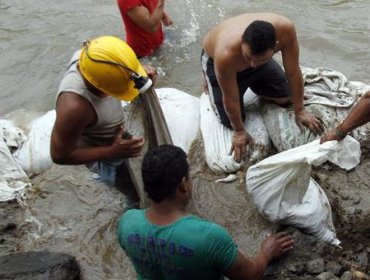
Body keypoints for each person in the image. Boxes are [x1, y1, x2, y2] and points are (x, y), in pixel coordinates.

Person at [117, 144, 293, 279]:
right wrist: (266, 253)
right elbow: (250, 276)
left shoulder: (126, 222)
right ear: (184, 185)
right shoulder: (208, 236)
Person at [201, 12, 324, 163]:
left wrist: (300, 109)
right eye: (248, 58)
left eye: (259, 59)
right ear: (242, 42)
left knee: (286, 97)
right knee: (230, 121)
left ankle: (254, 83)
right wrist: (239, 131)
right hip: (218, 63)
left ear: (275, 45)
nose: (252, 65)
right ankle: (212, 80)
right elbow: (230, 98)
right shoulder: (225, 54)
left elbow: (293, 72)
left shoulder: (286, 30)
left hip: (258, 63)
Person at [50, 35, 155, 192]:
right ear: (100, 86)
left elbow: (119, 64)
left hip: (116, 136)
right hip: (107, 155)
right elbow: (59, 155)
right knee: (132, 190)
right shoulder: (75, 108)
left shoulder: (93, 56)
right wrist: (113, 151)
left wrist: (138, 73)